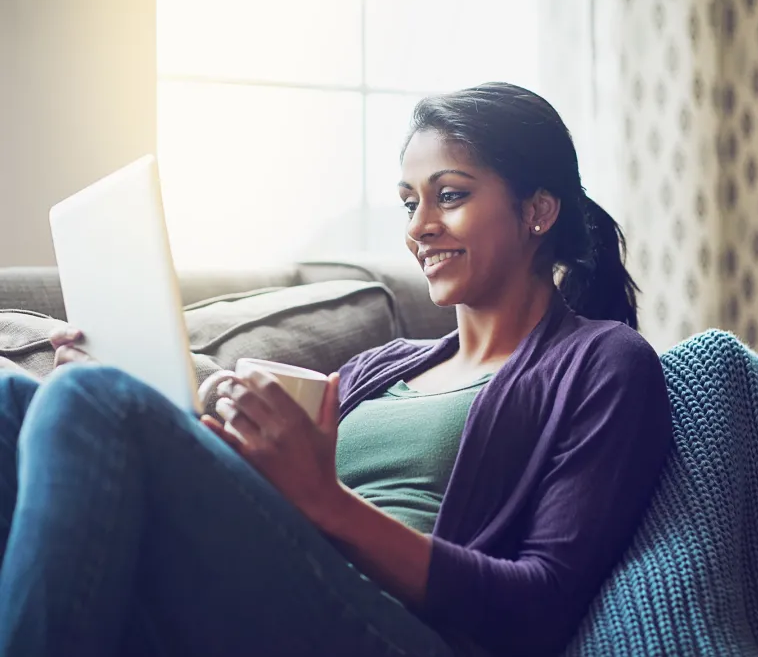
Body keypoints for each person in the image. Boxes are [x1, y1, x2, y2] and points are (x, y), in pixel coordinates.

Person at [0, 82, 672, 657]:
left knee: (92, 401)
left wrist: (325, 502)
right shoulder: (380, 366)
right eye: (411, 203)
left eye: (450, 195)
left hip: (401, 632)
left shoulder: (602, 362)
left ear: (538, 211)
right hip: (276, 581)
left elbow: (540, 603)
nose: (421, 227)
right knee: (15, 400)